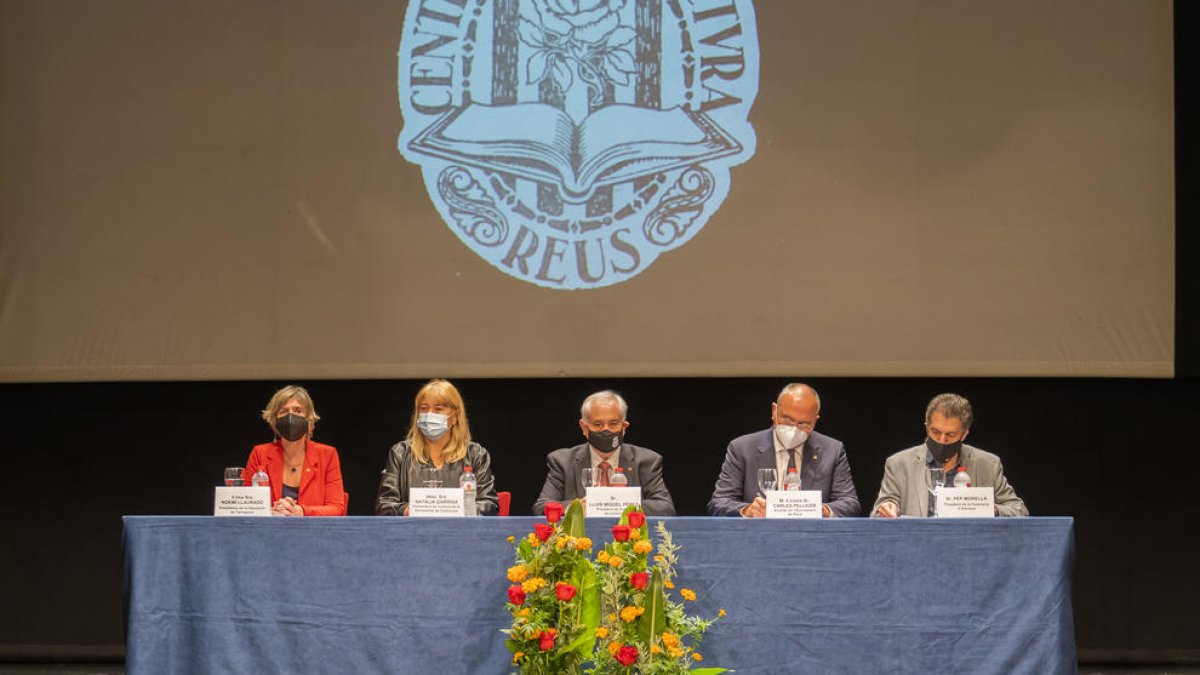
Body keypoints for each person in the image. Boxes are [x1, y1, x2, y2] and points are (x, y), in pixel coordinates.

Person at [709, 383, 860, 517]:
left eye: (803, 424)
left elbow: (850, 503)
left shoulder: (832, 450)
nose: (794, 429)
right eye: (787, 420)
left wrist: (822, 510)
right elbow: (719, 502)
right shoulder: (742, 448)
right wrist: (748, 510)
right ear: (774, 411)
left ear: (815, 420)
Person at [873, 393, 1028, 517]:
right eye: (935, 432)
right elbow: (877, 514)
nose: (942, 440)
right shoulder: (899, 464)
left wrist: (988, 509)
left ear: (964, 434)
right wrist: (886, 510)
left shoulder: (988, 464)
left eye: (951, 434)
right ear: (927, 427)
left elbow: (1019, 510)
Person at [533, 390, 675, 516]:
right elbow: (541, 507)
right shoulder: (563, 461)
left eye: (613, 424)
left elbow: (665, 507)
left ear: (624, 427)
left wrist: (619, 506)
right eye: (598, 424)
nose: (606, 430)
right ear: (584, 427)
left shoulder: (646, 460)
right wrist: (575, 508)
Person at [375, 379, 498, 515]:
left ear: (455, 416)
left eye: (438, 409)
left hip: (461, 533)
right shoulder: (400, 453)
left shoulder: (475, 454)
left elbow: (489, 504)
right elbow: (384, 504)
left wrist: (454, 510)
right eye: (424, 409)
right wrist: (409, 510)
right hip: (412, 531)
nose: (429, 414)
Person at [243, 385, 347, 516]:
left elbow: (336, 508)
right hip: (270, 532)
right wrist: (270, 512)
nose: (290, 416)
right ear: (275, 420)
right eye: (284, 411)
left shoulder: (327, 454)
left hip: (314, 533)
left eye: (298, 411)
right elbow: (247, 505)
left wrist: (302, 511)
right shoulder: (259, 453)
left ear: (308, 418)